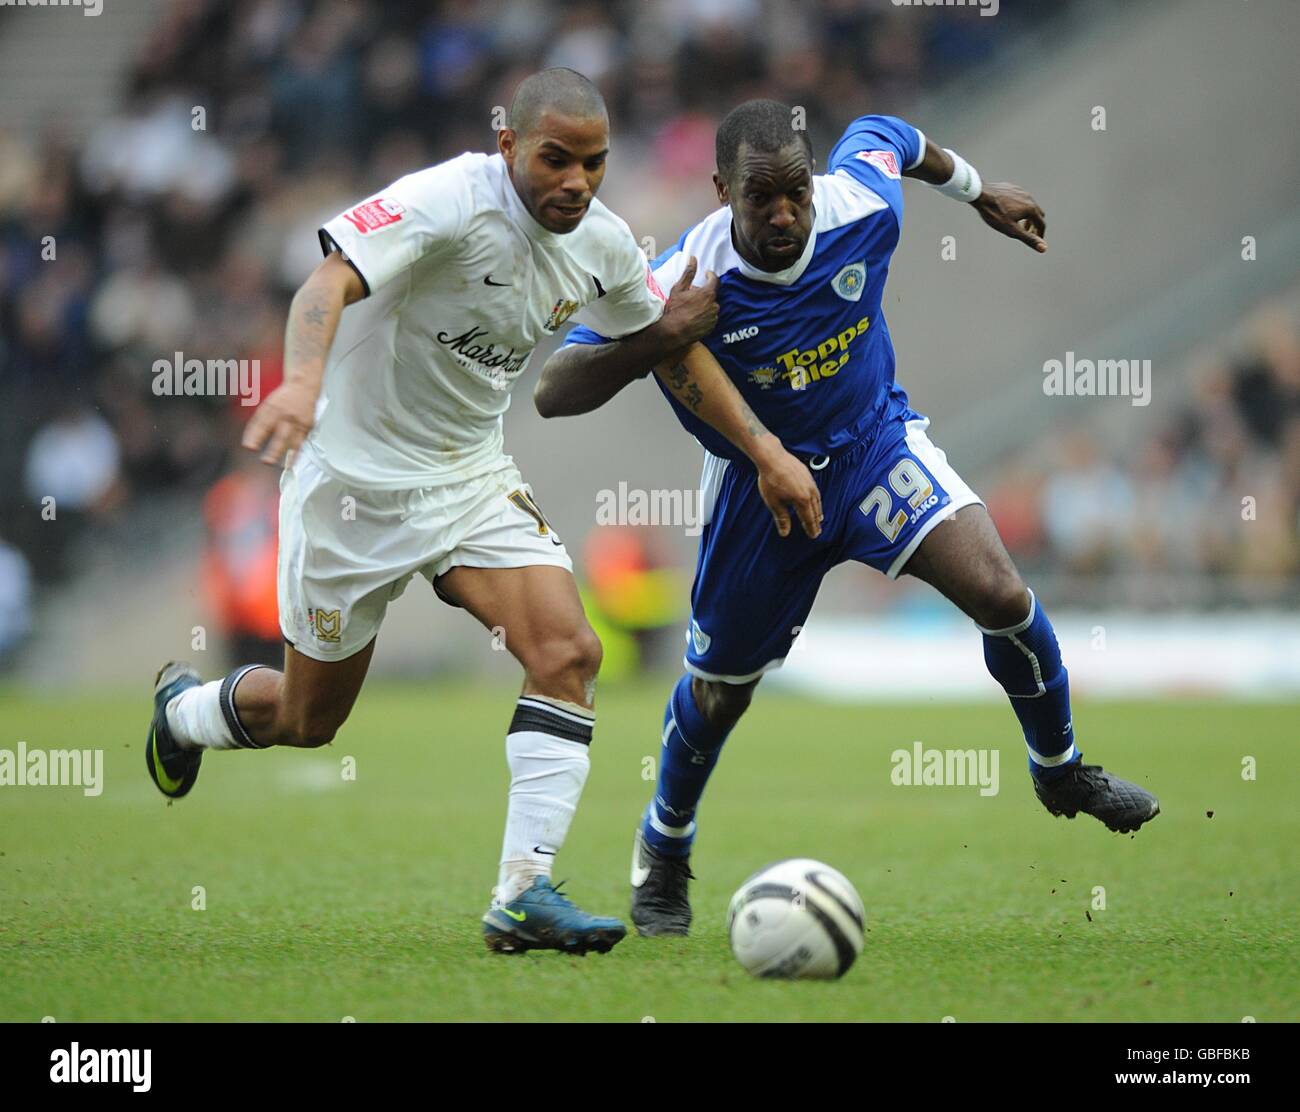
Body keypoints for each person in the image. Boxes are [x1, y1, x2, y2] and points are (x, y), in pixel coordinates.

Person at [144, 69, 817, 955]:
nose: (576, 181)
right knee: (309, 722)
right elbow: (323, 286)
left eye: (594, 163)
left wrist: (768, 454)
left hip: (468, 481)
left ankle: (522, 895)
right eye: (555, 159)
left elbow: (670, 352)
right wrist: (302, 383)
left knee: (570, 651)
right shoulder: (446, 202)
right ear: (508, 147)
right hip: (351, 484)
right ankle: (184, 715)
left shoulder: (605, 245)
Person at [537, 100, 1160, 937]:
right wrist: (659, 337)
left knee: (1003, 594)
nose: (787, 212)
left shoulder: (859, 202)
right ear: (723, 191)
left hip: (873, 450)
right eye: (763, 197)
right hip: (760, 494)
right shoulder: (681, 276)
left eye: (797, 190)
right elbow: (553, 391)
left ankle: (1060, 770)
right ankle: (665, 847)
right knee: (720, 694)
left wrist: (979, 192)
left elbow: (890, 133)